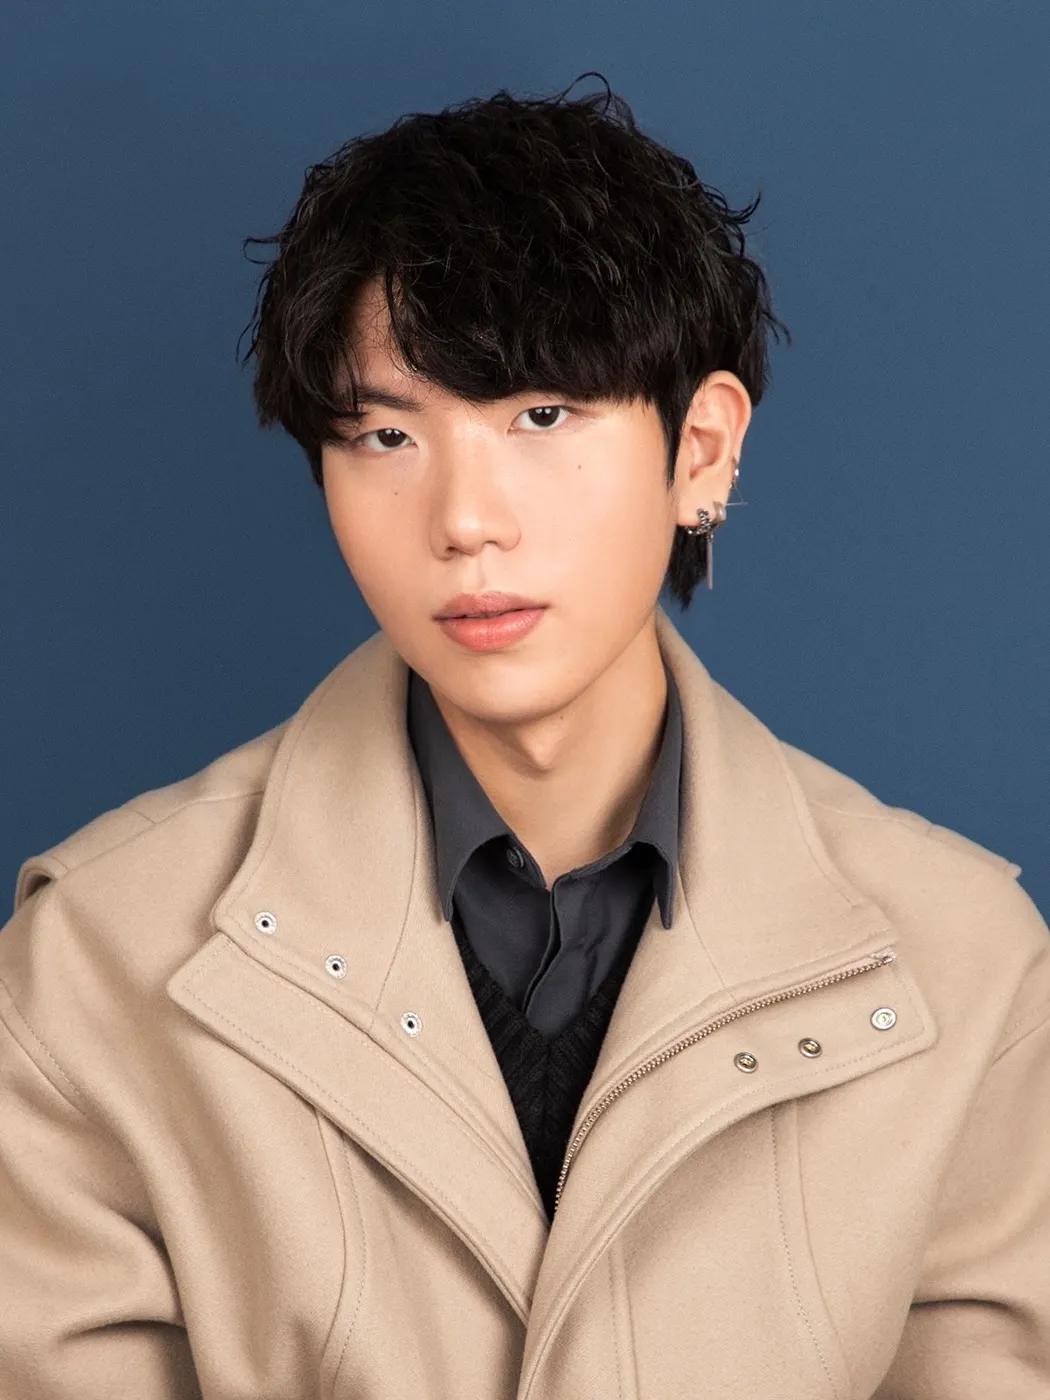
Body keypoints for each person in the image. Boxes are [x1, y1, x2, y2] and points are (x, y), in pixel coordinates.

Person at [1, 74, 1047, 1400]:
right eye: (386, 434)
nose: (464, 520)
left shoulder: (964, 965)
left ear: (702, 450)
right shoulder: (99, 959)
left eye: (541, 417)